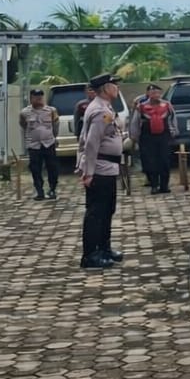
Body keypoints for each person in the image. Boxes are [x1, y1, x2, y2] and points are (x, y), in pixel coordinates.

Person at [76, 73, 125, 269]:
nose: (117, 87)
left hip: (108, 167)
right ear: (105, 88)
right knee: (96, 213)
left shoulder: (105, 107)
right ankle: (90, 255)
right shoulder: (98, 111)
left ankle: (104, 249)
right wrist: (88, 172)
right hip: (100, 168)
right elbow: (91, 142)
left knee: (107, 211)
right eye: (114, 84)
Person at [20, 87, 60, 201]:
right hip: (33, 145)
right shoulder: (24, 112)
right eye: (36, 97)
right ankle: (39, 191)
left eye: (40, 97)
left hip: (49, 143)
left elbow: (55, 125)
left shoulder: (51, 111)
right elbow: (23, 125)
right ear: (31, 98)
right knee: (35, 169)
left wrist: (53, 137)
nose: (38, 100)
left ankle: (52, 189)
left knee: (52, 167)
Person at [134, 83, 175, 194]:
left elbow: (172, 119)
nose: (155, 95)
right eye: (152, 93)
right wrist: (135, 137)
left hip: (163, 137)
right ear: (148, 94)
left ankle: (164, 186)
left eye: (157, 93)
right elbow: (135, 123)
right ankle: (154, 185)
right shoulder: (141, 107)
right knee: (151, 162)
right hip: (147, 138)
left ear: (160, 94)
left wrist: (173, 132)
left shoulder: (167, 105)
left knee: (164, 161)